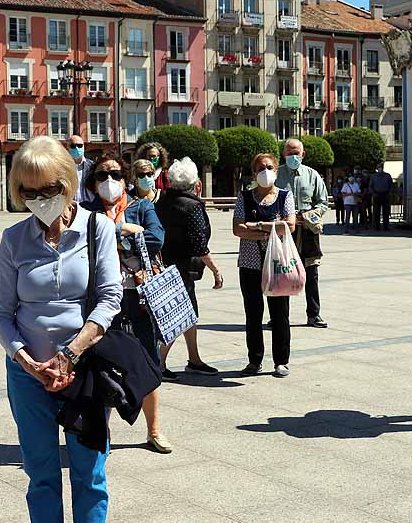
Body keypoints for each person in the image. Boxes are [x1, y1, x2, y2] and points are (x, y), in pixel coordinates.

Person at [0, 135, 121, 523]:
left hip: (83, 371)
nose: (37, 200)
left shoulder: (96, 229)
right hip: (28, 376)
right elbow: (1, 313)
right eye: (26, 192)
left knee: (89, 472)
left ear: (67, 185)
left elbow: (110, 299)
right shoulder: (14, 239)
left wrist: (69, 354)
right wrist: (27, 360)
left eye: (45, 189)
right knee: (41, 472)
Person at [83, 154, 171, 453]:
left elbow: (157, 238)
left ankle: (154, 429)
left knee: (147, 361)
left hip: (139, 295)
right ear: (92, 184)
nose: (110, 181)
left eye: (116, 174)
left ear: (126, 179)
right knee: (101, 365)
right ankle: (101, 431)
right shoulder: (85, 212)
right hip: (101, 299)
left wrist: (112, 232)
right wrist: (123, 231)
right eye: (102, 176)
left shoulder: (141, 206)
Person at [156, 157, 222, 379]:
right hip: (184, 267)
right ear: (196, 183)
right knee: (180, 315)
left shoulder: (163, 201)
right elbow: (199, 244)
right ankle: (159, 363)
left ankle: (194, 359)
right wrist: (215, 270)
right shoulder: (193, 206)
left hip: (165, 264)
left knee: (189, 315)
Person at [232, 153, 296, 378]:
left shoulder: (285, 196)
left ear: (276, 171)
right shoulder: (245, 197)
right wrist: (270, 229)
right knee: (253, 313)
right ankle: (254, 359)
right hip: (250, 264)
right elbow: (238, 229)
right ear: (253, 173)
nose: (265, 172)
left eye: (269, 167)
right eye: (260, 168)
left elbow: (289, 226)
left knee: (280, 314)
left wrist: (257, 225)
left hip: (277, 264)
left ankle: (281, 361)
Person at [278, 138, 329, 328]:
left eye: (296, 153)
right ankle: (280, 316)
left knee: (311, 273)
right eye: (289, 153)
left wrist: (308, 215)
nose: (293, 156)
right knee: (282, 272)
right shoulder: (277, 175)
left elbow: (323, 203)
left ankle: (314, 314)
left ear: (303, 154)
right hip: (284, 231)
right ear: (283, 154)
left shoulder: (313, 175)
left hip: (307, 230)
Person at [67, 134, 93, 202]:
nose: (77, 148)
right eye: (73, 146)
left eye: (79, 145)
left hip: (89, 205)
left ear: (84, 146)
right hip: (71, 206)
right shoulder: (63, 167)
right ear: (67, 148)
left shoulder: (92, 166)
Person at [369, 166, 394, 231]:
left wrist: (389, 193)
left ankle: (386, 226)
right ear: (377, 168)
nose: (380, 168)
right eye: (379, 167)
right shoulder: (373, 176)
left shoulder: (387, 175)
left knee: (386, 211)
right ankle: (377, 226)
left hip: (385, 194)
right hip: (377, 195)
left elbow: (391, 185)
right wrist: (373, 193)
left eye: (381, 167)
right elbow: (370, 186)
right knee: (376, 211)